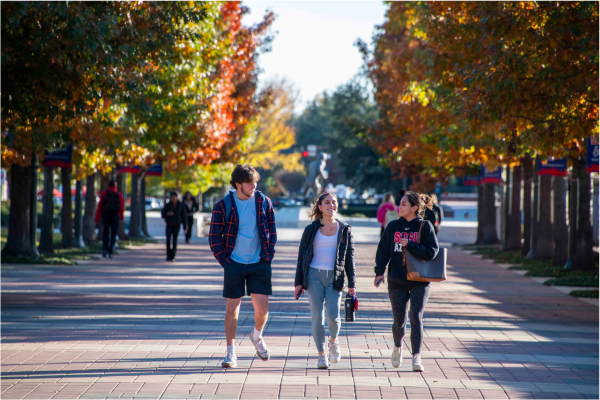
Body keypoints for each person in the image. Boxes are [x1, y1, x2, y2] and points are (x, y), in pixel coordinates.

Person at [209, 164, 277, 369]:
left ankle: (256, 336)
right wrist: (226, 263)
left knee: (262, 309)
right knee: (233, 308)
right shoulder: (224, 205)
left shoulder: (264, 202)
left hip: (259, 262)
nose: (253, 186)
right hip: (234, 263)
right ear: (238, 184)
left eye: (255, 182)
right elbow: (214, 237)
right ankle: (231, 353)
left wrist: (268, 256)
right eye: (249, 183)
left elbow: (272, 231)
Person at [374, 191, 439, 372]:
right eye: (400, 203)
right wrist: (379, 272)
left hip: (420, 279)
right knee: (399, 321)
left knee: (416, 317)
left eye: (403, 204)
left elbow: (432, 251)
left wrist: (410, 244)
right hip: (397, 280)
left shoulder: (425, 227)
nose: (399, 207)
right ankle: (397, 346)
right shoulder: (393, 226)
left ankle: (416, 357)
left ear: (414, 208)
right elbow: (383, 251)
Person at [294, 193, 356, 369]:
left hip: (334, 277)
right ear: (320, 207)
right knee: (317, 317)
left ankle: (334, 342)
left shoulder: (344, 229)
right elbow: (302, 257)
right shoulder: (311, 229)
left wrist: (352, 284)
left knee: (333, 315)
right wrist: (299, 282)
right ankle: (321, 355)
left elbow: (349, 259)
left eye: (334, 202)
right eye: (327, 202)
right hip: (313, 276)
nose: (331, 205)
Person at [94, 180, 124, 258]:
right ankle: (111, 251)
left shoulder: (104, 193)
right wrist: (121, 217)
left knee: (105, 232)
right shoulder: (118, 194)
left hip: (106, 215)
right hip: (115, 215)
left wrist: (97, 217)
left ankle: (104, 249)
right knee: (113, 233)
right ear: (116, 186)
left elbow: (100, 206)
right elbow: (121, 207)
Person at [161, 191, 187, 262]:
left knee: (174, 240)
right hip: (169, 224)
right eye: (171, 197)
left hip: (177, 225)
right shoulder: (167, 205)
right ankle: (168, 255)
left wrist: (185, 228)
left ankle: (173, 256)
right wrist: (167, 214)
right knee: (168, 240)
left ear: (177, 197)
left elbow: (184, 217)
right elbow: (162, 214)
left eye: (174, 197)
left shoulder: (181, 205)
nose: (173, 199)